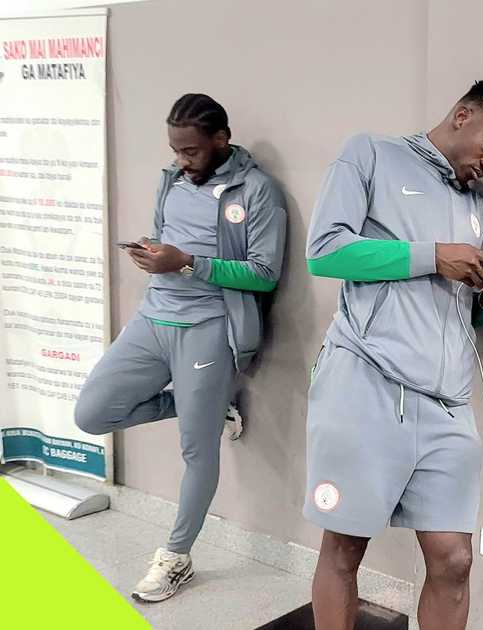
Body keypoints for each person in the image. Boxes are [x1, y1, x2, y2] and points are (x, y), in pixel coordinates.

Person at [303, 81, 483, 630]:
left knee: (454, 559)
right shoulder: (371, 154)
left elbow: (454, 310)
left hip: (447, 404)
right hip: (366, 386)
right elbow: (324, 251)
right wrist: (433, 256)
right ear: (463, 115)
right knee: (344, 548)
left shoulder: (475, 209)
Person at [74, 94, 287, 602]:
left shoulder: (258, 192)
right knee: (93, 413)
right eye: (175, 150)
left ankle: (176, 558)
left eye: (191, 151)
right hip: (153, 318)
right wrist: (155, 253)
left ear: (221, 140)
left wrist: (189, 263)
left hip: (209, 326)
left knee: (197, 451)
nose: (181, 160)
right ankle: (209, 406)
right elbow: (168, 236)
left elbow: (264, 273)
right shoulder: (171, 178)